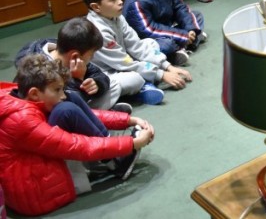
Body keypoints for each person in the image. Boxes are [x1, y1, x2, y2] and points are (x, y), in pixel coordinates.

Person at [0, 55, 154, 216]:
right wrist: (131, 143)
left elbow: (83, 112)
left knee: (71, 99)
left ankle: (114, 159)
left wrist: (128, 120)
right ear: (34, 94)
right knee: (65, 109)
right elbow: (76, 145)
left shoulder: (19, 95)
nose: (62, 95)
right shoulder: (21, 120)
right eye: (57, 90)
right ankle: (115, 159)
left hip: (37, 171)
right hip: (36, 192)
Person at [81, 0, 192, 105]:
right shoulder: (98, 32)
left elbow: (136, 46)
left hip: (124, 59)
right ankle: (141, 90)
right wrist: (161, 74)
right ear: (96, 7)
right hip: (108, 72)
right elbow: (124, 64)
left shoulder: (116, 16)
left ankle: (147, 79)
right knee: (134, 79)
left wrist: (167, 66)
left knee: (151, 43)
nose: (120, 2)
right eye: (113, 0)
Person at [14, 17, 123, 111]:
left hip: (76, 99)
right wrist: (78, 80)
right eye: (91, 54)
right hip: (53, 112)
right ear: (75, 55)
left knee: (115, 85)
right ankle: (101, 115)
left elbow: (99, 74)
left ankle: (101, 113)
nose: (92, 57)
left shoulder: (66, 52)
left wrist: (96, 83)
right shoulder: (42, 72)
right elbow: (66, 103)